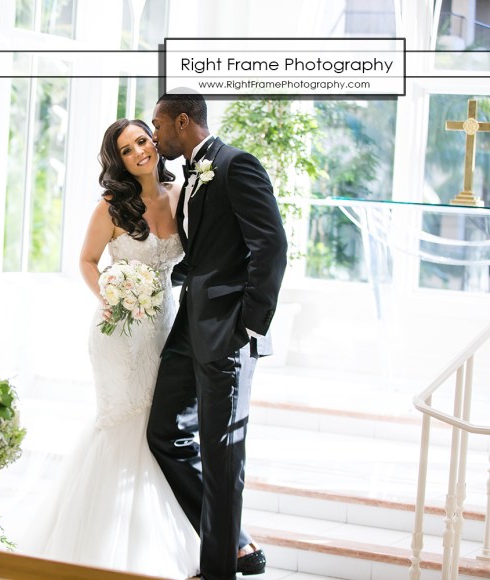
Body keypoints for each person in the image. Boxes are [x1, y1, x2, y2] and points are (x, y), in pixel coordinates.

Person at [21, 119, 199, 578]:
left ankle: (158, 542)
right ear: (118, 161)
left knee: (157, 429)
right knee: (125, 423)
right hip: (118, 333)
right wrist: (112, 295)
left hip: (164, 329)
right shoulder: (112, 206)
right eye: (126, 150)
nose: (139, 152)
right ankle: (101, 551)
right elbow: (86, 260)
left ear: (154, 142)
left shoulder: (180, 194)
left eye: (141, 141)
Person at [147, 93, 288, 580]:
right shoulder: (189, 174)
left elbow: (271, 246)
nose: (155, 135)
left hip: (228, 333)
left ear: (183, 121)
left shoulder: (235, 165)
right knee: (163, 432)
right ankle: (236, 543)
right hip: (190, 325)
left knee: (222, 456)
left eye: (158, 125)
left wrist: (248, 325)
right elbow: (203, 252)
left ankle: (218, 571)